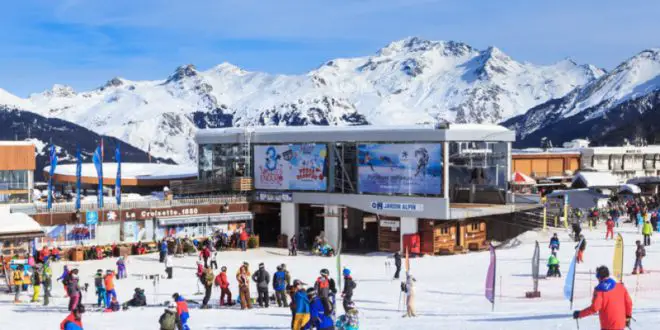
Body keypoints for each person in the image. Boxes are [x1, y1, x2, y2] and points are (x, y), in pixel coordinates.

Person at [573, 266, 632, 330]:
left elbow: (595, 308)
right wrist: (628, 317)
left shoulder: (599, 290)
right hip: (620, 325)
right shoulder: (620, 286)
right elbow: (629, 303)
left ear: (599, 277)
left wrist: (580, 314)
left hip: (607, 326)